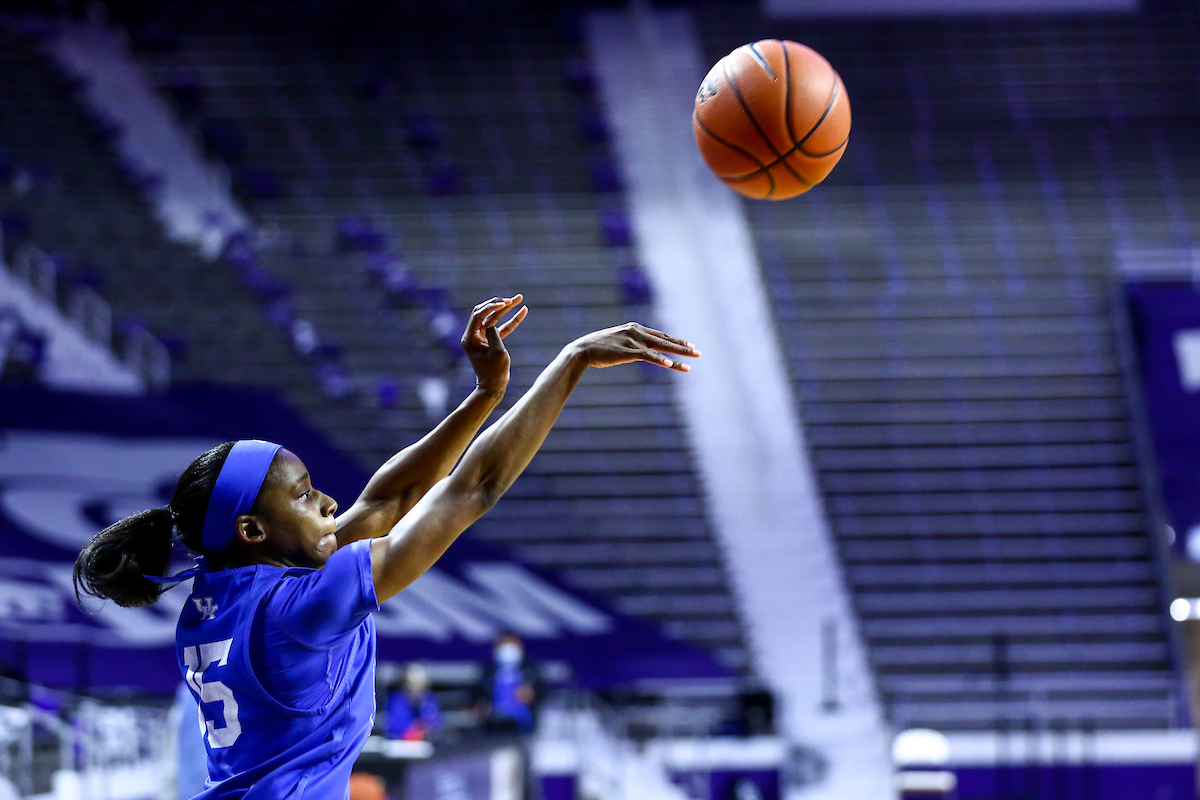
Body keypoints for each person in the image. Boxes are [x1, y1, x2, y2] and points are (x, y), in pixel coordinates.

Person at [72, 294, 699, 799]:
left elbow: (385, 503)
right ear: (252, 531)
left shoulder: (221, 588)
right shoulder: (296, 609)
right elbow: (472, 490)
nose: (326, 504)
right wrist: (571, 363)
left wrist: (483, 397)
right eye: (304, 493)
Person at [475, 633, 540, 733]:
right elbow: (478, 694)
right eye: (504, 644)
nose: (508, 649)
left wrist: (532, 694)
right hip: (493, 726)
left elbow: (543, 691)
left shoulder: (531, 669)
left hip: (524, 727)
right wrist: (482, 704)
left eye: (511, 644)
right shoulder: (488, 670)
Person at [385, 663, 441, 741]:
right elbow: (395, 728)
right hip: (401, 744)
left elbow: (435, 725)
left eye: (420, 685)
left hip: (427, 744)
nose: (416, 689)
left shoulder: (429, 700)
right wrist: (414, 731)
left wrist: (424, 730)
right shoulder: (397, 700)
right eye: (412, 684)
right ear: (406, 684)